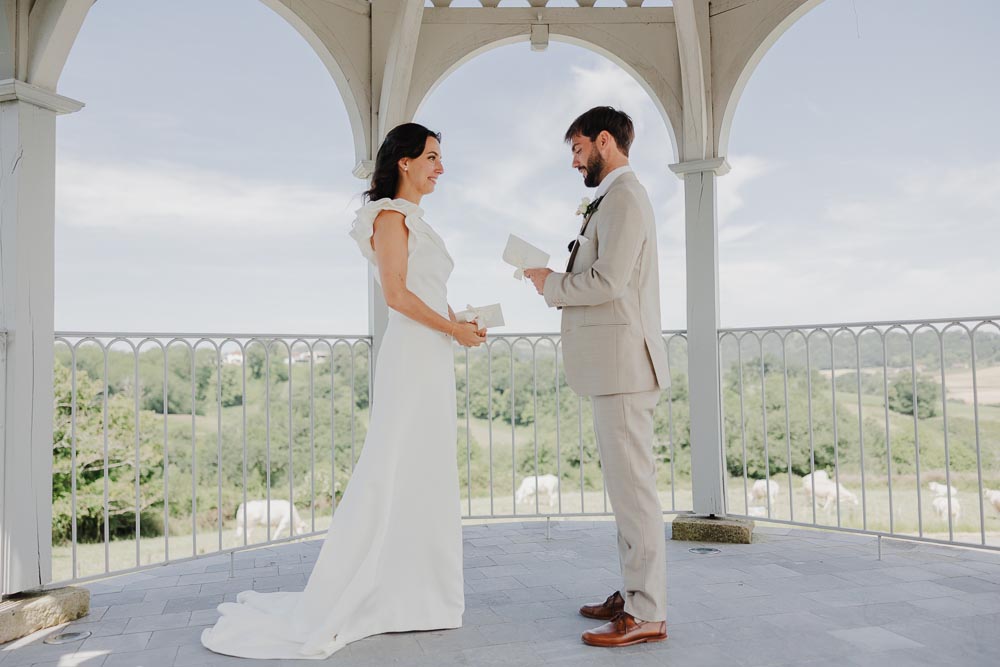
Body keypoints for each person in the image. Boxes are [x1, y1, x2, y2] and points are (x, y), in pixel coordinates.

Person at [201, 122, 485, 659]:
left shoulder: (417, 222)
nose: (440, 167)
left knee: (425, 470)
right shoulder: (388, 217)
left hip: (432, 356)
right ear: (404, 161)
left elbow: (428, 292)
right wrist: (450, 330)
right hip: (411, 354)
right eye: (432, 157)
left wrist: (461, 324)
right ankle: (383, 593)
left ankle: (423, 596)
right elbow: (397, 296)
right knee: (393, 466)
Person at [524, 106, 669, 648]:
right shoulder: (612, 199)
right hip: (614, 368)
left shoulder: (626, 198)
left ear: (605, 141)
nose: (574, 161)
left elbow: (608, 281)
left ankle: (647, 612)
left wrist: (551, 286)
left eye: (578, 149)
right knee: (626, 492)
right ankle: (634, 595)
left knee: (635, 495)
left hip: (626, 368)